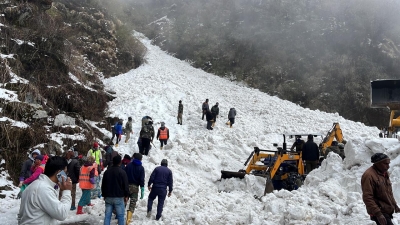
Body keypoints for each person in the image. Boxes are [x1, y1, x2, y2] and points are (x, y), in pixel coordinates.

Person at [17, 156, 72, 224]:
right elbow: (62, 214)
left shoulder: (33, 185)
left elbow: (20, 216)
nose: (66, 176)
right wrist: (67, 191)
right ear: (59, 173)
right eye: (65, 173)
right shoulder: (44, 189)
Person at [361, 153, 400, 225]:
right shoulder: (369, 175)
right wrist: (378, 214)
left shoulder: (384, 173)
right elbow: (367, 197)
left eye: (388, 163)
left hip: (386, 209)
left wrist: (395, 205)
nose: (388, 166)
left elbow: (388, 192)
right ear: (377, 163)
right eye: (385, 164)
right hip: (379, 211)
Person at [102, 155, 129, 225]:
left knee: (107, 216)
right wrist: (126, 195)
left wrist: (104, 194)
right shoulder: (122, 172)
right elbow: (125, 185)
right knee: (120, 217)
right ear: (120, 162)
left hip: (108, 197)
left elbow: (103, 184)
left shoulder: (107, 172)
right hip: (119, 197)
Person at [125, 153, 145, 224]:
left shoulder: (129, 165)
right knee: (132, 203)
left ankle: (119, 216)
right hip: (135, 188)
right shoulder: (141, 168)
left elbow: (124, 175)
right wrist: (142, 189)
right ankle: (128, 220)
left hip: (126, 186)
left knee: (124, 201)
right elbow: (142, 179)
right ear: (140, 159)